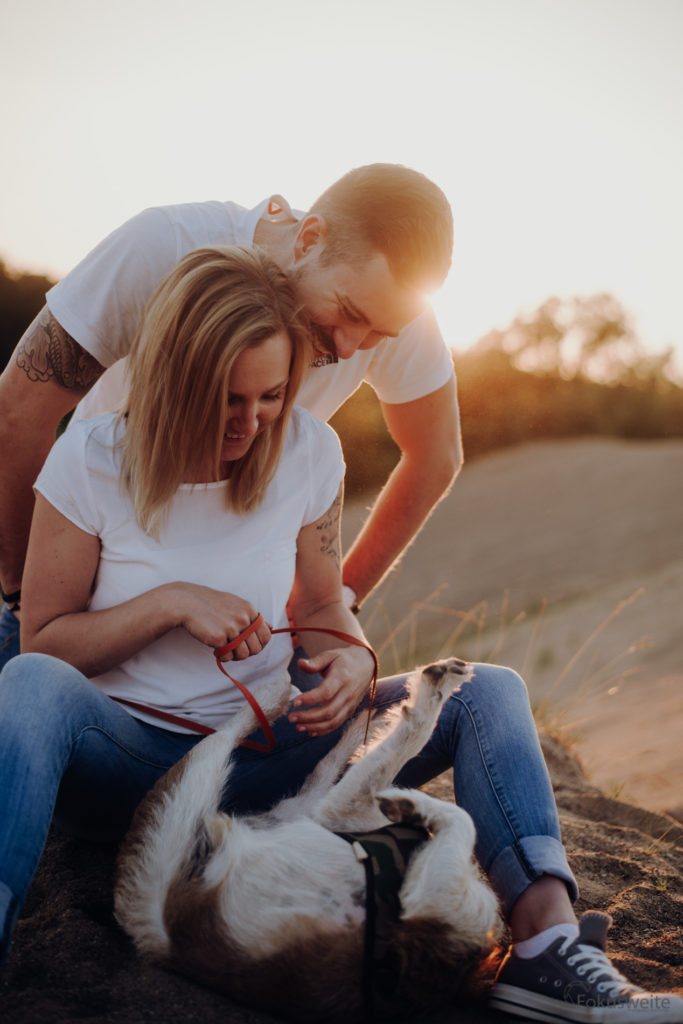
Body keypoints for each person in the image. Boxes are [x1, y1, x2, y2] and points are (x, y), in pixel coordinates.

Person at [0, 249, 679, 1024]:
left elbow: (323, 605)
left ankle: (545, 950)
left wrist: (351, 660)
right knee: (28, 687)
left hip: (271, 754)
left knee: (486, 688)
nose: (250, 422)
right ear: (170, 375)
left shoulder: (306, 451)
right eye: (226, 397)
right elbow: (43, 645)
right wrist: (168, 603)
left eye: (272, 396)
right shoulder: (87, 462)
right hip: (128, 763)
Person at [0, 162, 462, 666]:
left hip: (249, 621)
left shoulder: (395, 307)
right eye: (348, 313)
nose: (354, 347)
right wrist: (25, 596)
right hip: (96, 573)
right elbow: (19, 407)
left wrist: (333, 604)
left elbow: (436, 454)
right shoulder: (164, 247)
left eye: (380, 334)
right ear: (308, 239)